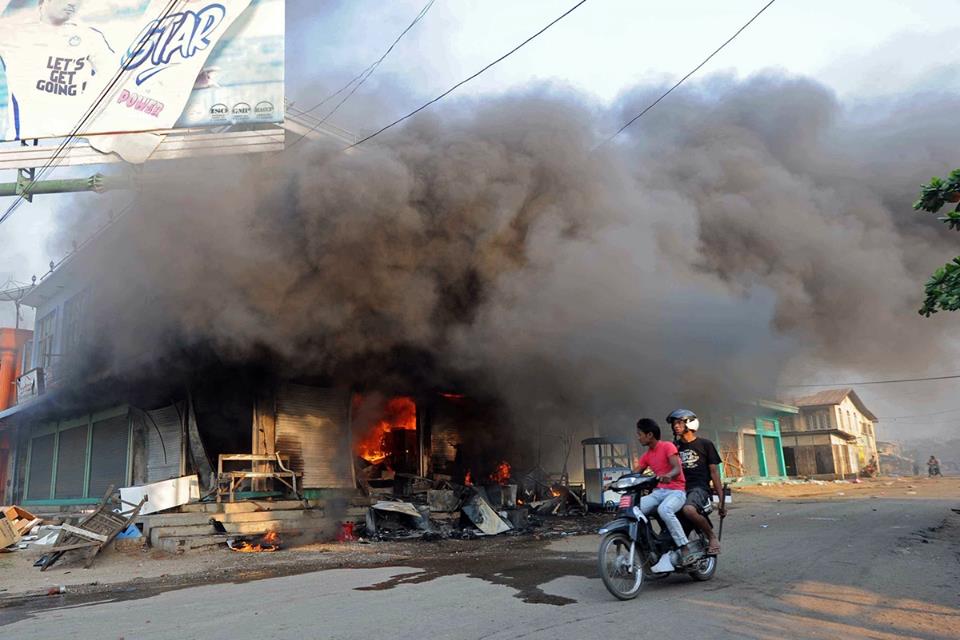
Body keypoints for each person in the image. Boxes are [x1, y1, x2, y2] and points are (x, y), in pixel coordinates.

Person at [0, 0, 115, 140]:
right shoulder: (14, 35)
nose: (73, 3)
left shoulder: (90, 37)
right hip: (27, 144)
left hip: (76, 143)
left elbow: (119, 80)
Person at [634, 418, 695, 564]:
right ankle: (650, 544)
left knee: (664, 509)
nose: (638, 437)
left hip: (677, 491)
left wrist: (668, 475)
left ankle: (684, 546)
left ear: (649, 435)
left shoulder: (667, 446)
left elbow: (676, 468)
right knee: (634, 509)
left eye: (639, 434)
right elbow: (634, 474)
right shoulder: (647, 455)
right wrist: (616, 483)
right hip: (658, 492)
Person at [669, 409, 725, 556]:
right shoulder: (674, 447)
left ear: (690, 424)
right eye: (674, 423)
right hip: (679, 489)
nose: (676, 426)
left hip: (699, 488)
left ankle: (711, 537)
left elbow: (714, 474)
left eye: (679, 423)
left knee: (688, 510)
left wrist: (721, 501)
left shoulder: (705, 444)